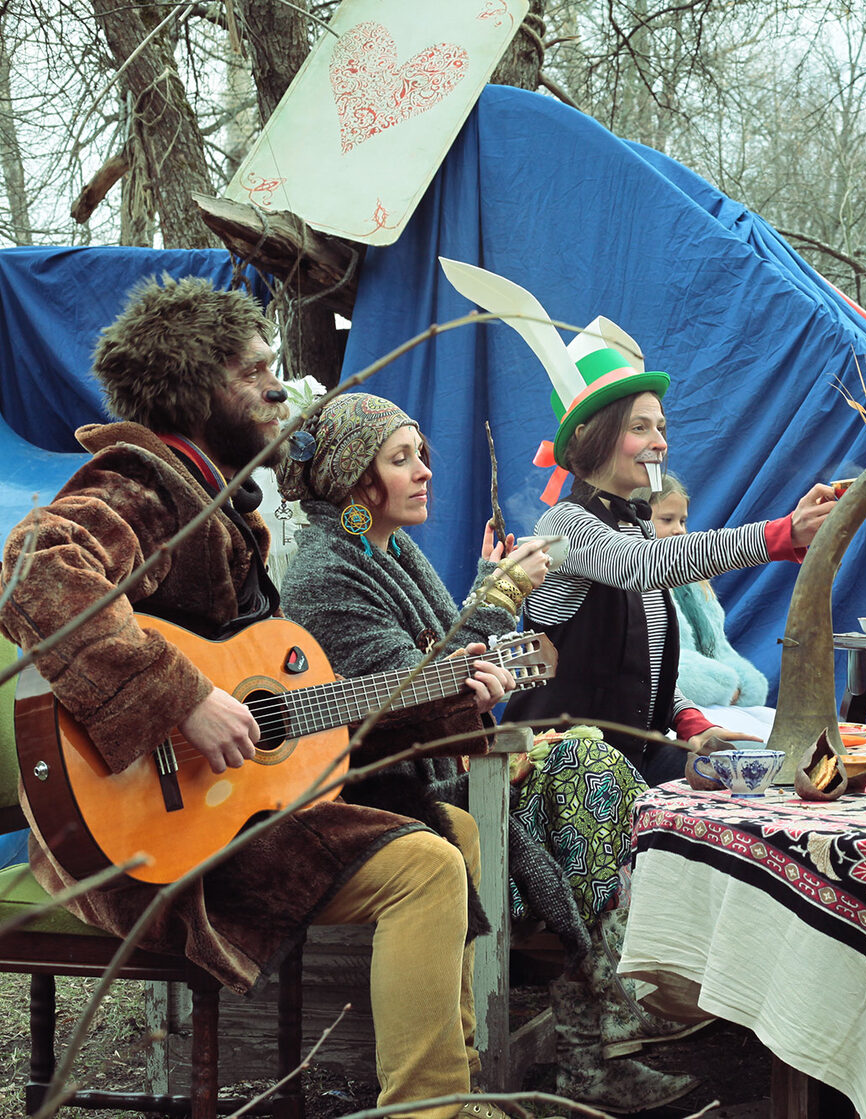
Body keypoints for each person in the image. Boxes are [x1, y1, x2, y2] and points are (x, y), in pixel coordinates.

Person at [0, 277, 516, 1119]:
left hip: (217, 806)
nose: (280, 386)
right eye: (254, 370)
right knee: (423, 867)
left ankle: (453, 1088)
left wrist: (451, 694)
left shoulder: (221, 498)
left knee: (446, 828)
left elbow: (297, 712)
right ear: (195, 390)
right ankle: (429, 1111)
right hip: (146, 837)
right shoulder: (145, 481)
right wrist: (183, 696)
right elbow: (36, 567)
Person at [275, 393, 695, 1112]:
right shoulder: (325, 572)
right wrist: (500, 593)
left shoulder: (390, 550)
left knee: (588, 760)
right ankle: (597, 1023)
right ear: (352, 478)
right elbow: (416, 684)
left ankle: (597, 1028)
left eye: (423, 456)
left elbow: (458, 663)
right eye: (401, 459)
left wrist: (506, 707)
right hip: (392, 794)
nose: (424, 472)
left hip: (448, 773)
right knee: (587, 769)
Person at [505, 319, 834, 785]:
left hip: (632, 759)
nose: (660, 441)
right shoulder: (564, 524)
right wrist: (781, 535)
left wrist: (690, 721)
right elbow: (641, 565)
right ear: (592, 435)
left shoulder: (634, 526)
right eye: (640, 427)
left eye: (661, 426)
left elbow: (644, 671)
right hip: (561, 773)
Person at [643, 474, 776, 740]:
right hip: (673, 709)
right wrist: (722, 682)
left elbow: (717, 647)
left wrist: (740, 681)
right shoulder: (636, 583)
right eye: (666, 520)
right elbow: (657, 664)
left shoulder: (692, 581)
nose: (679, 530)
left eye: (682, 521)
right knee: (749, 745)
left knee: (776, 726)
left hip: (715, 699)